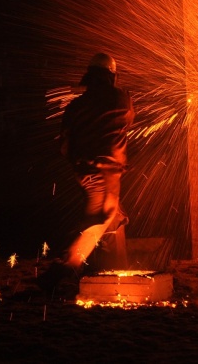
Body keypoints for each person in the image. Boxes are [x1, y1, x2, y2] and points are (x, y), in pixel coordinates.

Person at [38, 53, 135, 293]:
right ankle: (65, 267)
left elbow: (64, 144)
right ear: (112, 76)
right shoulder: (122, 99)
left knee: (114, 218)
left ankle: (111, 267)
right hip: (107, 173)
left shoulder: (75, 106)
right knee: (101, 219)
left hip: (85, 172)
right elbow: (126, 123)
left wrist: (80, 162)